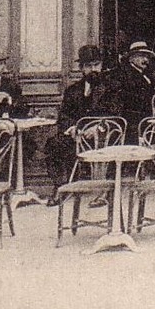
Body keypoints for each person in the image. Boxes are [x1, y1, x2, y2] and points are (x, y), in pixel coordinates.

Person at [45, 45, 106, 203]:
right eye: (88, 66)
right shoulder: (73, 90)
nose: (93, 69)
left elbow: (117, 113)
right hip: (77, 137)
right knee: (54, 143)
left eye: (96, 65)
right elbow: (64, 115)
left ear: (101, 65)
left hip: (104, 137)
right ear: (81, 68)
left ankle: (103, 189)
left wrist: (99, 127)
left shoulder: (112, 88)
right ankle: (60, 186)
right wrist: (73, 129)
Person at [102, 41, 155, 124]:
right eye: (141, 56)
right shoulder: (125, 74)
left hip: (145, 117)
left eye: (147, 57)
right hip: (133, 121)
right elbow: (138, 98)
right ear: (131, 58)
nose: (145, 60)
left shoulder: (146, 74)